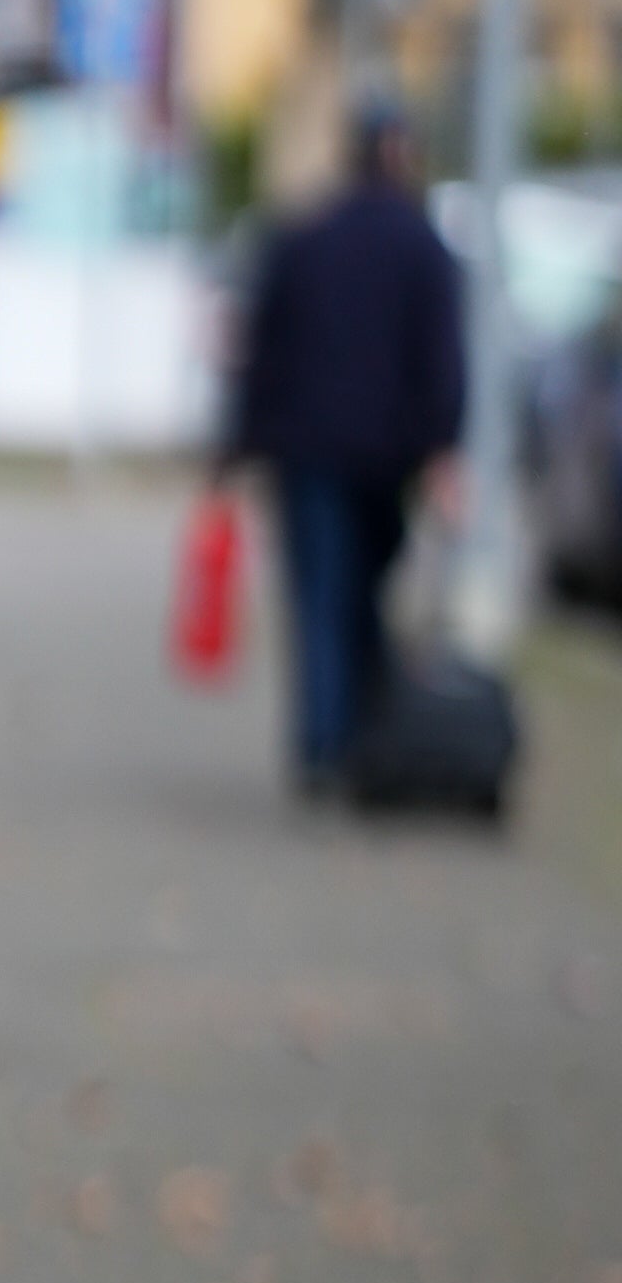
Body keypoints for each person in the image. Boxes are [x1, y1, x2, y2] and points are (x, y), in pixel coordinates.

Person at [226, 99, 466, 792]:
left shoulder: (304, 238)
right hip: (387, 456)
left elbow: (263, 351)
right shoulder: (422, 245)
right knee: (364, 590)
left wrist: (237, 447)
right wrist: (443, 447)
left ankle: (322, 746)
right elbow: (441, 357)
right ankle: (360, 733)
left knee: (317, 595)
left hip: (309, 451)